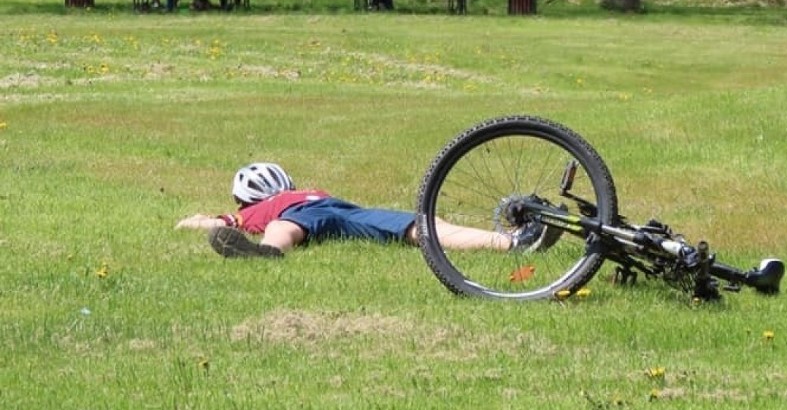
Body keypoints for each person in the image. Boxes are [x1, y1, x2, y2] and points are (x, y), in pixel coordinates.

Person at [175, 160, 560, 259]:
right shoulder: (310, 193)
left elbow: (215, 221)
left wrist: (195, 221)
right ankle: (510, 242)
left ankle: (513, 243)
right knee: (418, 227)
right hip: (348, 212)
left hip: (320, 217)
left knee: (286, 227)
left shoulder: (255, 213)